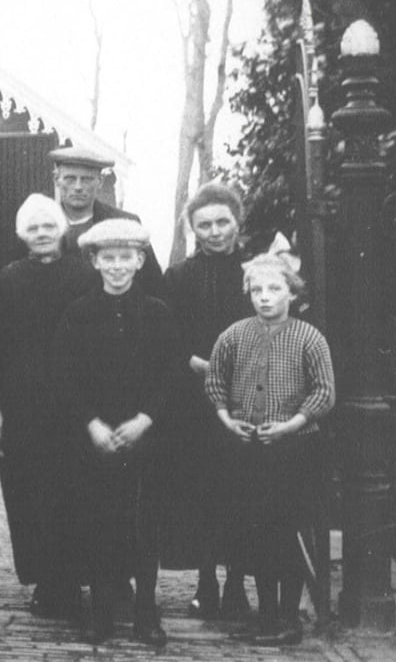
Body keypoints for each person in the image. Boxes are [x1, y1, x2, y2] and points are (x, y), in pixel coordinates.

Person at [51, 218, 178, 647]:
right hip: (96, 440)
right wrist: (91, 423)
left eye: (126, 257)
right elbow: (65, 376)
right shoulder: (78, 314)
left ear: (140, 261)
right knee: (99, 523)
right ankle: (101, 611)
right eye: (109, 258)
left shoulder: (158, 313)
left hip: (145, 439)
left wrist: (146, 418)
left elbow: (170, 375)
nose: (118, 266)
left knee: (144, 525)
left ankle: (146, 611)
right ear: (95, 262)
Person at [206, 248, 335, 646]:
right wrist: (228, 420)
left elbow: (324, 392)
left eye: (274, 289)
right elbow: (215, 380)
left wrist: (290, 426)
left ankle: (289, 619)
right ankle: (265, 616)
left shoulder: (309, 337)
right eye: (256, 290)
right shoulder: (234, 335)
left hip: (294, 450)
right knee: (257, 531)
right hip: (249, 450)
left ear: (291, 293)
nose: (265, 297)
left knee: (289, 532)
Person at [0, 193, 94, 619]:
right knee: (30, 493)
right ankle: (46, 581)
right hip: (23, 402)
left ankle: (76, 578)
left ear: (62, 229)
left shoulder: (85, 274)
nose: (42, 233)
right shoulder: (9, 278)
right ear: (22, 235)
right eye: (33, 228)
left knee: (74, 491)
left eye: (49, 226)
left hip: (75, 400)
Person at [160, 181, 256, 619]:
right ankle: (205, 583)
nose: (215, 232)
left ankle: (236, 584)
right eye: (205, 225)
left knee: (240, 490)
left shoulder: (255, 271)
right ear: (193, 228)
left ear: (237, 221)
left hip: (247, 397)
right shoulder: (179, 276)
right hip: (194, 401)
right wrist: (193, 361)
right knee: (199, 492)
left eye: (222, 222)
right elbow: (166, 333)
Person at [49, 147, 164, 294]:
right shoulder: (42, 226)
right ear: (56, 180)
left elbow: (153, 285)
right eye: (70, 179)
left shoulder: (125, 223)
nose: (78, 187)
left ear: (100, 182)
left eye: (86, 179)